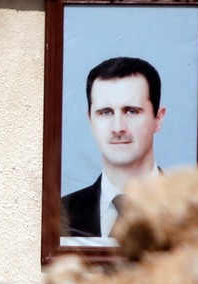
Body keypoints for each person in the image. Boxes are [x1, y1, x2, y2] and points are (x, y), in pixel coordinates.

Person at [62, 56, 166, 238]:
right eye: (106, 112)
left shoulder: (192, 212)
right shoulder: (60, 213)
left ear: (158, 119)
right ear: (90, 121)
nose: (118, 127)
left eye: (131, 111)